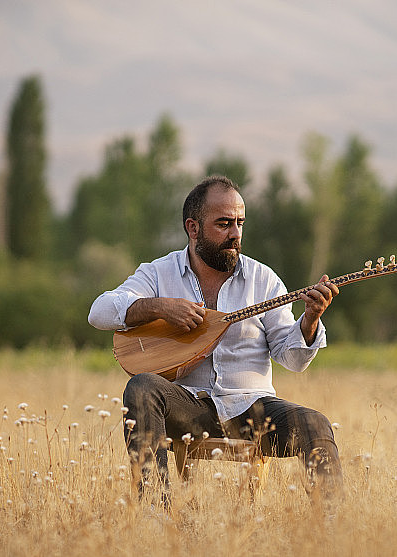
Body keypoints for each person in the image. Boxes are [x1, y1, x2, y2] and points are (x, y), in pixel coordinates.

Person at [88, 175, 342, 507]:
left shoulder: (263, 279)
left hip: (253, 411)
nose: (235, 234)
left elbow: (292, 358)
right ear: (193, 228)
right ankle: (155, 513)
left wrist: (310, 320)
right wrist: (160, 306)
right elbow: (99, 311)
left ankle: (333, 526)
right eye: (223, 224)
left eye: (239, 223)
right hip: (189, 408)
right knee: (142, 387)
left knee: (315, 424)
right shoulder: (158, 274)